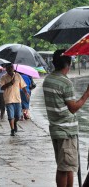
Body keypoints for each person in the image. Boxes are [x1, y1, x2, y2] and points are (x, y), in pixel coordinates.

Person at [43, 49, 89, 187]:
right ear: (67, 65)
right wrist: (87, 93)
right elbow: (73, 107)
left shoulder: (48, 79)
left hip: (56, 129)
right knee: (64, 168)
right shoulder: (65, 83)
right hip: (66, 131)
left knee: (67, 166)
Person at [0, 63, 29, 136]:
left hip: (17, 99)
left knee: (18, 116)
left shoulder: (18, 75)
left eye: (11, 68)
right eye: (8, 68)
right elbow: (2, 87)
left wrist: (26, 93)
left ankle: (15, 123)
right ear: (6, 69)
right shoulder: (3, 77)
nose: (10, 69)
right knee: (10, 115)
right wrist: (9, 83)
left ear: (13, 68)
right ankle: (12, 130)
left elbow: (23, 86)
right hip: (8, 99)